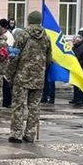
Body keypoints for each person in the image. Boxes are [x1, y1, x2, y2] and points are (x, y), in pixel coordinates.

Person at [6, 11, 52, 143]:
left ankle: (16, 133)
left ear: (29, 20)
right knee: (34, 106)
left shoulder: (22, 35)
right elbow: (49, 59)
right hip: (38, 78)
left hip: (22, 77)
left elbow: (14, 56)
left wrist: (9, 74)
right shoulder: (46, 37)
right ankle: (30, 133)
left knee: (18, 106)